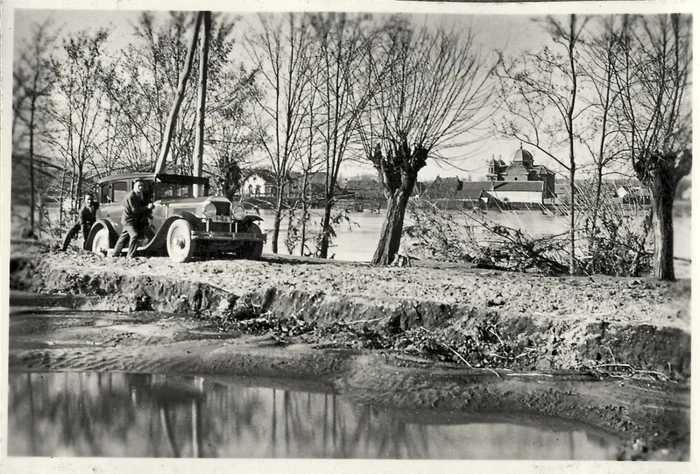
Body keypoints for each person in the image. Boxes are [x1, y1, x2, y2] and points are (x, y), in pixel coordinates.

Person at [111, 180, 154, 259]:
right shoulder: (131, 196)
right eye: (139, 186)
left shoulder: (140, 195)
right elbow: (135, 210)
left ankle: (115, 253)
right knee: (134, 235)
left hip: (133, 220)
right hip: (128, 220)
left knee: (123, 236)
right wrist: (147, 207)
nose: (141, 187)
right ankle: (130, 255)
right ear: (134, 186)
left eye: (142, 186)